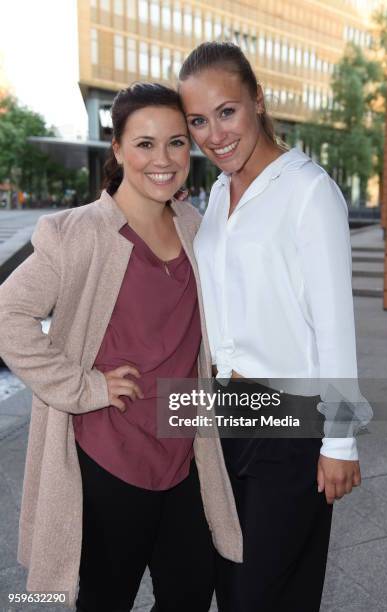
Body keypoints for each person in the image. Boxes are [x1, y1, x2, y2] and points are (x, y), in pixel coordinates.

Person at [0, 82, 243, 611]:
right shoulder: (78, 233)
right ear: (118, 149)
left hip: (183, 449)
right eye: (145, 143)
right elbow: (8, 315)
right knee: (107, 597)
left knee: (189, 593)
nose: (164, 159)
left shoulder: (194, 226)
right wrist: (83, 386)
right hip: (111, 455)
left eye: (177, 143)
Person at [178, 42, 371, 612]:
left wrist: (340, 440)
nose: (214, 134)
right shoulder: (215, 193)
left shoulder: (308, 191)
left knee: (263, 591)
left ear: (257, 101)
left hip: (290, 417)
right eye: (197, 121)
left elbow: (334, 326)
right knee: (233, 583)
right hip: (222, 413)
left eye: (227, 111)